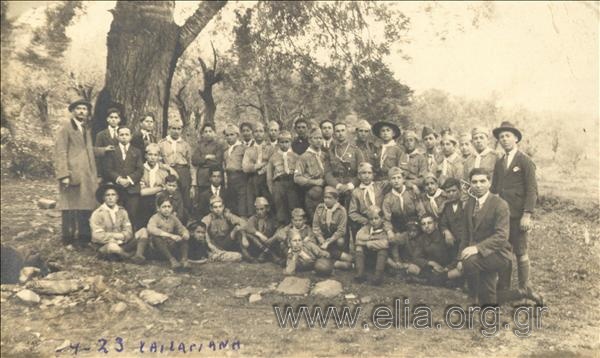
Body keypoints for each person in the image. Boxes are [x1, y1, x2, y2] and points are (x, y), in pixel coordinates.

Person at [491, 121, 538, 293]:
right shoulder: (500, 161)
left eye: (507, 136)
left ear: (516, 138)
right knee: (504, 250)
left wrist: (527, 214)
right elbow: (495, 189)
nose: (504, 139)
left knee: (520, 250)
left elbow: (532, 190)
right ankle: (504, 287)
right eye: (501, 137)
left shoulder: (525, 161)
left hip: (519, 214)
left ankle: (525, 287)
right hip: (503, 215)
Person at [55, 99, 99, 246]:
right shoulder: (66, 127)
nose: (81, 111)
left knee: (85, 205)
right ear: (73, 111)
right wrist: (64, 174)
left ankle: (83, 238)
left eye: (84, 109)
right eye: (78, 109)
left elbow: (88, 149)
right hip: (72, 173)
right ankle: (67, 239)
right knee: (69, 206)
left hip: (86, 174)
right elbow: (60, 151)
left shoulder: (85, 128)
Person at [382, 167, 424, 269]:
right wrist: (389, 231)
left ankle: (417, 262)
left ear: (403, 179)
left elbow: (421, 211)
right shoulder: (388, 198)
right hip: (398, 227)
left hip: (414, 225)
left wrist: (421, 226)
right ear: (390, 181)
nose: (396, 181)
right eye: (393, 178)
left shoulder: (411, 193)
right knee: (393, 239)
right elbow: (386, 218)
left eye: (398, 178)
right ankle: (397, 263)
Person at [105, 126, 144, 230]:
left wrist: (129, 180)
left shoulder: (137, 151)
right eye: (121, 135)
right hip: (117, 189)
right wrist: (118, 179)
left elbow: (140, 170)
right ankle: (117, 237)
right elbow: (108, 169)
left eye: (127, 134)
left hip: (132, 189)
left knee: (132, 214)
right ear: (117, 136)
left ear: (131, 136)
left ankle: (131, 238)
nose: (124, 137)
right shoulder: (112, 151)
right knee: (117, 214)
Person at [90, 183, 142, 260]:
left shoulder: (122, 211)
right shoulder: (97, 213)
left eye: (113, 195)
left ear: (117, 197)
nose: (110, 198)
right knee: (112, 247)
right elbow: (97, 236)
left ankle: (138, 255)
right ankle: (127, 256)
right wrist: (116, 236)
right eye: (107, 195)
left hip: (122, 243)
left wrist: (123, 236)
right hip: (106, 245)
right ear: (104, 198)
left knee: (143, 232)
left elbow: (129, 231)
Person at [405, 214, 455, 286]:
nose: (426, 226)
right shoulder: (421, 239)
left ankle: (422, 281)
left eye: (429, 223)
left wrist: (447, 268)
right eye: (423, 224)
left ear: (436, 224)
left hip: (446, 268)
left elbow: (454, 255)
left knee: (456, 272)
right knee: (412, 268)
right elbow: (416, 257)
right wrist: (431, 263)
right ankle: (440, 281)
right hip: (430, 269)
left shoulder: (445, 236)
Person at [158, 118, 194, 212]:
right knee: (170, 194)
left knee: (185, 196)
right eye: (174, 128)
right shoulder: (162, 143)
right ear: (169, 129)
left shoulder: (185, 145)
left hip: (183, 171)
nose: (176, 131)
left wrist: (193, 182)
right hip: (168, 171)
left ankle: (185, 220)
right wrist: (168, 168)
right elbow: (158, 161)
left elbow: (191, 163)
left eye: (179, 129)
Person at [138, 143, 178, 227]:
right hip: (144, 201)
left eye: (155, 155)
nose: (153, 157)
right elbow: (142, 192)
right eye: (150, 154)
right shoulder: (140, 170)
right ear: (145, 155)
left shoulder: (163, 171)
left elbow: (174, 179)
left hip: (160, 200)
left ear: (159, 157)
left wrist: (169, 168)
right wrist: (160, 187)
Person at [312, 187, 353, 268]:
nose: (326, 200)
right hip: (322, 238)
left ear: (336, 199)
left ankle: (338, 256)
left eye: (329, 198)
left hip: (334, 238)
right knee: (316, 250)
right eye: (325, 198)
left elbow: (341, 230)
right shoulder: (320, 208)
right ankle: (335, 263)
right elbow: (315, 227)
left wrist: (328, 242)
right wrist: (322, 240)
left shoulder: (341, 210)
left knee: (341, 243)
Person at [147, 195, 190, 271]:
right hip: (158, 250)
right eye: (164, 207)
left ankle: (184, 259)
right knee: (156, 238)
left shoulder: (173, 218)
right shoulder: (155, 218)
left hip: (170, 247)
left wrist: (185, 234)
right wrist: (170, 235)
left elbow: (181, 228)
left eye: (169, 207)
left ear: (172, 208)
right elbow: (151, 229)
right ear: (158, 208)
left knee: (183, 238)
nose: (167, 209)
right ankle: (172, 260)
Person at [349, 162, 390, 241]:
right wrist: (365, 221)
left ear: (373, 175)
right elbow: (352, 212)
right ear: (359, 176)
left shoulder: (380, 186)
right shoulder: (356, 192)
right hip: (367, 222)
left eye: (369, 173)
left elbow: (393, 180)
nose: (367, 176)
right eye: (363, 173)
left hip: (382, 220)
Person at [267, 130, 301, 225]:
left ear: (290, 142)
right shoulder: (273, 157)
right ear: (278, 143)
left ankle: (294, 223)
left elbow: (299, 171)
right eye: (282, 142)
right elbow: (269, 175)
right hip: (279, 182)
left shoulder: (296, 156)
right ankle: (282, 223)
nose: (284, 144)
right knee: (279, 203)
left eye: (287, 142)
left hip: (292, 182)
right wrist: (271, 187)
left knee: (293, 202)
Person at [325, 122, 361, 208]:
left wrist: (351, 185)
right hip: (336, 183)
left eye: (342, 130)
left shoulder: (356, 150)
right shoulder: (331, 151)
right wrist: (338, 185)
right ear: (334, 134)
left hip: (351, 182)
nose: (340, 133)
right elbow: (327, 173)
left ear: (346, 132)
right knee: (329, 196)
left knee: (353, 196)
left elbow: (361, 171)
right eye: (337, 131)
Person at [294, 127, 327, 220]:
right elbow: (297, 178)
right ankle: (316, 221)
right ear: (310, 140)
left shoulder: (325, 155)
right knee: (316, 192)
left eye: (320, 138)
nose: (318, 141)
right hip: (312, 188)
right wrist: (314, 182)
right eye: (316, 138)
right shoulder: (304, 157)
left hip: (326, 184)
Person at [243, 122, 274, 215]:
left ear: (265, 133)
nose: (258, 133)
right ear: (253, 133)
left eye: (261, 131)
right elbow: (245, 167)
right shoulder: (249, 150)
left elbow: (272, 163)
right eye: (256, 131)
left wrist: (264, 168)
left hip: (266, 178)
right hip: (252, 178)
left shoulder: (271, 148)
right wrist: (259, 166)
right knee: (252, 202)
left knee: (268, 201)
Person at [354, 207, 389, 286]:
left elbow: (385, 243)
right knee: (358, 247)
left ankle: (378, 276)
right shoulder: (368, 228)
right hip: (368, 256)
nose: (374, 221)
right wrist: (372, 238)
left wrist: (366, 243)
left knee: (383, 250)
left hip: (381, 258)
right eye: (371, 219)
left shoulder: (385, 229)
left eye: (376, 218)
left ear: (382, 219)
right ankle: (360, 273)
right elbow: (358, 238)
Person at [242, 197, 282, 263]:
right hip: (257, 245)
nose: (259, 212)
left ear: (267, 209)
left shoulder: (272, 219)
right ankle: (271, 254)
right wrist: (259, 234)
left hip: (269, 242)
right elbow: (248, 227)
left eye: (262, 209)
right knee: (249, 235)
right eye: (257, 210)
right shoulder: (253, 218)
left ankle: (264, 254)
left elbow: (279, 227)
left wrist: (272, 238)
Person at [222, 123, 248, 217]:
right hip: (229, 177)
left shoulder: (243, 148)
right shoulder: (225, 150)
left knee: (242, 200)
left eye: (232, 135)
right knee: (231, 200)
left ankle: (242, 220)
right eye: (227, 135)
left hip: (240, 177)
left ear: (237, 135)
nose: (229, 137)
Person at [191, 123, 224, 196]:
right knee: (202, 199)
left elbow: (217, 162)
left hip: (214, 177)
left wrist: (202, 160)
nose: (208, 133)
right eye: (205, 132)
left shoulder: (218, 146)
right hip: (201, 178)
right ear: (202, 134)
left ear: (214, 133)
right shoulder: (199, 146)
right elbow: (194, 160)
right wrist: (206, 157)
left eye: (210, 131)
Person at [438, 178, 467, 261]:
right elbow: (443, 223)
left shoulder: (466, 204)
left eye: (453, 191)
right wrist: (446, 232)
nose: (451, 194)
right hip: (452, 243)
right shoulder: (446, 206)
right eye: (448, 192)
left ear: (460, 190)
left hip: (466, 243)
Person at [94, 107, 121, 181]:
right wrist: (98, 174)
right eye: (111, 117)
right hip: (105, 169)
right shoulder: (101, 134)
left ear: (119, 119)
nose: (113, 119)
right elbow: (96, 153)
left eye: (116, 117)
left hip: (120, 169)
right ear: (107, 119)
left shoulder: (124, 133)